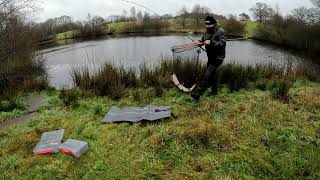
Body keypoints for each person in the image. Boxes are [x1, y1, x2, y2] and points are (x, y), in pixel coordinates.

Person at [191, 15, 226, 100]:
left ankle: (198, 94)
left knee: (207, 75)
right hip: (210, 56)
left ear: (213, 24)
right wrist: (199, 42)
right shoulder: (207, 31)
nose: (207, 26)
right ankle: (214, 92)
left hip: (218, 57)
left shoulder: (220, 31)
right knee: (211, 75)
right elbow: (203, 40)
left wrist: (211, 42)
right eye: (206, 25)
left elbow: (222, 44)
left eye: (209, 25)